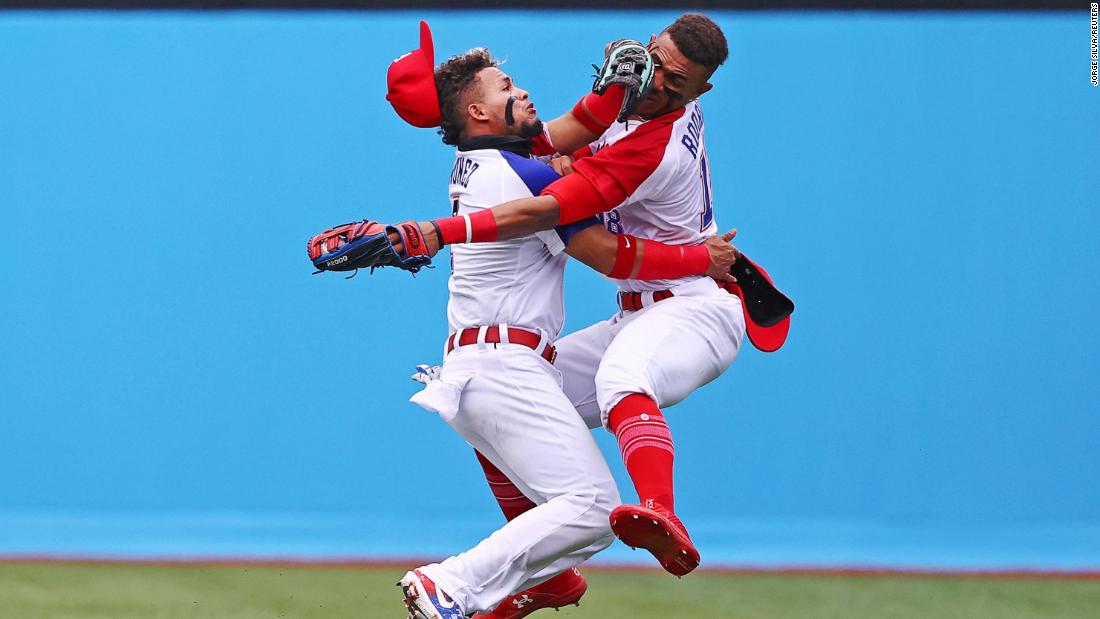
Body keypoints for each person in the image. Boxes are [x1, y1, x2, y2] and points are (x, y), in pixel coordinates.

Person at [391, 14, 784, 582]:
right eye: (661, 71)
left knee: (624, 376)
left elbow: (600, 248)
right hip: (641, 310)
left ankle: (659, 512)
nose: (662, 88)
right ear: (648, 52)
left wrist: (429, 231)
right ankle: (541, 581)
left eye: (680, 86)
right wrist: (600, 99)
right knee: (501, 409)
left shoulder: (657, 143)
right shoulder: (613, 111)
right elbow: (561, 132)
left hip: (697, 302)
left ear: (703, 92)